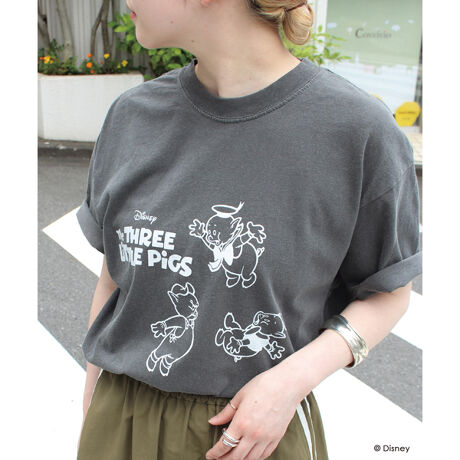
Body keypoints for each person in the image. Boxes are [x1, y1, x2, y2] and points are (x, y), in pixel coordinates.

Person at [75, 1, 422, 459]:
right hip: (121, 419)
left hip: (252, 434)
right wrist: (94, 410)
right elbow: (115, 279)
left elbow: (388, 291)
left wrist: (290, 382)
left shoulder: (356, 131)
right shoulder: (132, 116)